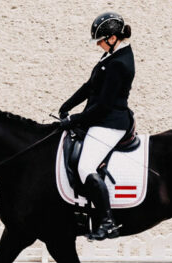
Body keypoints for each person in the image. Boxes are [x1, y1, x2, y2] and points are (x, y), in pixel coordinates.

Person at [58, 11, 135, 241]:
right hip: (101, 118)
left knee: (86, 166)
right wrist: (66, 106)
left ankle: (107, 221)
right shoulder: (109, 57)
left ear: (112, 38)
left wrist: (74, 119)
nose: (98, 45)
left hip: (110, 122)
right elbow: (89, 86)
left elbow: (103, 105)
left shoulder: (119, 63)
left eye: (100, 40)